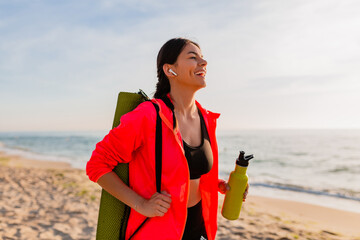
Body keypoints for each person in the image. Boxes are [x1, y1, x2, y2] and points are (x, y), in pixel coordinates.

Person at [86, 38, 248, 240]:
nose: (203, 62)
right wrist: (140, 204)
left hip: (198, 227)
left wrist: (218, 184)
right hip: (158, 230)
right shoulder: (148, 115)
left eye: (203, 57)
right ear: (170, 70)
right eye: (192, 57)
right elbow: (97, 165)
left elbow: (184, 171)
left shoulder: (206, 118)